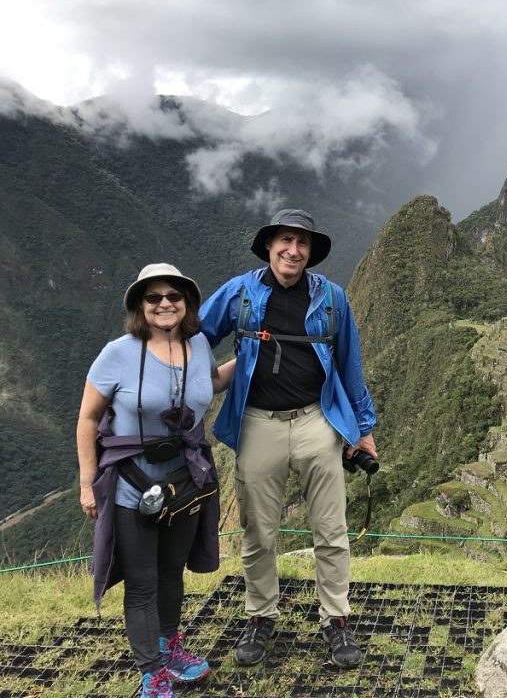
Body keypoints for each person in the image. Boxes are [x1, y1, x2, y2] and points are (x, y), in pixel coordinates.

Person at [200, 208, 377, 669]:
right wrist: (182, 380)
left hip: (318, 421)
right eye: (285, 240)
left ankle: (335, 618)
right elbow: (195, 333)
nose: (293, 250)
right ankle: (261, 615)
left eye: (302, 243)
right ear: (269, 245)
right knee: (259, 530)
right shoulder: (240, 293)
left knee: (331, 530)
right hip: (258, 422)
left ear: (311, 252)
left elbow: (349, 365)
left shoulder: (332, 299)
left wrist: (363, 431)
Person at [77, 263, 235, 698]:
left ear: (186, 303)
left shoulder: (198, 344)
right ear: (140, 307)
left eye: (174, 296)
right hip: (133, 481)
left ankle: (169, 648)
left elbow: (212, 382)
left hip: (185, 480)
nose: (165, 303)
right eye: (154, 297)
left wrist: (252, 354)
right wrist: (87, 484)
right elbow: (88, 418)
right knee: (143, 580)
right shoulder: (118, 353)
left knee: (171, 573)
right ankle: (152, 672)